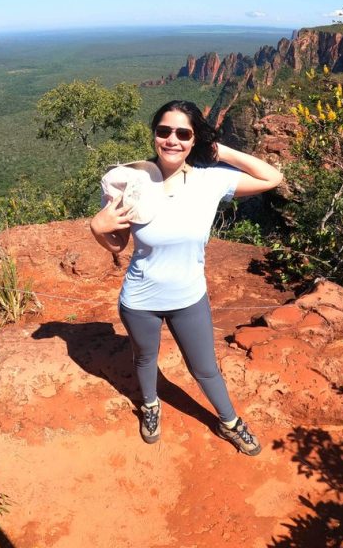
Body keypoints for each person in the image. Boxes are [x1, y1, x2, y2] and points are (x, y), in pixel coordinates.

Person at [89, 100, 283, 455]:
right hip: (140, 299)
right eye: (164, 131)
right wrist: (97, 228)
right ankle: (150, 406)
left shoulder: (211, 181)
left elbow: (273, 178)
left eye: (183, 133)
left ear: (194, 140)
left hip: (188, 298)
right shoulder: (132, 182)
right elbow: (117, 244)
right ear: (154, 136)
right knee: (145, 359)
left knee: (204, 368)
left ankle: (230, 422)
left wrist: (219, 149)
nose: (172, 140)